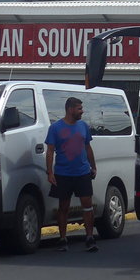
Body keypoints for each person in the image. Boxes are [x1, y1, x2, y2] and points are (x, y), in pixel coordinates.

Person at [46, 96, 99, 252]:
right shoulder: (55, 128)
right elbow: (50, 151)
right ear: (70, 109)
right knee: (63, 207)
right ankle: (62, 239)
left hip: (82, 172)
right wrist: (50, 172)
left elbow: (87, 147)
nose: (82, 112)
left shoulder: (83, 126)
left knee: (87, 205)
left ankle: (89, 237)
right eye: (79, 108)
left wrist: (93, 166)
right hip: (63, 173)